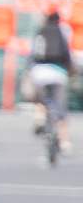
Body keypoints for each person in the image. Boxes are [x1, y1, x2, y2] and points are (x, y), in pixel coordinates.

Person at [28, 10, 73, 155]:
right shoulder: (62, 32)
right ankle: (65, 142)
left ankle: (39, 117)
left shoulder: (40, 32)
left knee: (39, 98)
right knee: (60, 109)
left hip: (39, 72)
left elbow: (32, 54)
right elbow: (67, 54)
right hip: (58, 73)